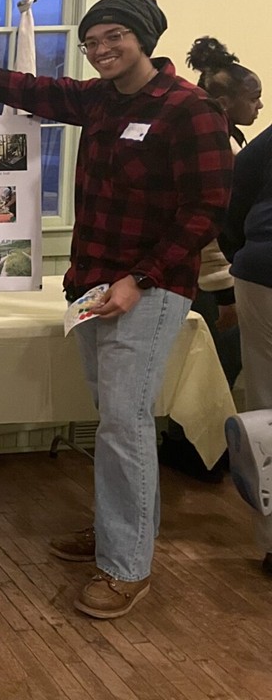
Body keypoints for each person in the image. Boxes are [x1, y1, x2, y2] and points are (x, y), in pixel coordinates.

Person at [0, 0, 233, 619]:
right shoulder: (100, 100)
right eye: (91, 41)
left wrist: (139, 279)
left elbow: (206, 210)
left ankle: (127, 566)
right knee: (115, 419)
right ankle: (116, 530)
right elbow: (31, 88)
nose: (101, 50)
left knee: (125, 426)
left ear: (144, 38)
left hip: (147, 290)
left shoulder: (189, 110)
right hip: (92, 286)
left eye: (114, 37)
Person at [162, 37, 263, 480]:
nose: (260, 106)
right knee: (212, 371)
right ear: (224, 102)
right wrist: (224, 291)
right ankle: (197, 455)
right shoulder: (214, 144)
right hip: (207, 279)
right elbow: (212, 227)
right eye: (253, 97)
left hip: (205, 274)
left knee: (206, 368)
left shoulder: (222, 139)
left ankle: (195, 451)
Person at [220, 121, 272, 576]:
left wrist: (244, 253)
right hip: (259, 267)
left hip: (260, 271)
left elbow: (233, 196)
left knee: (267, 405)